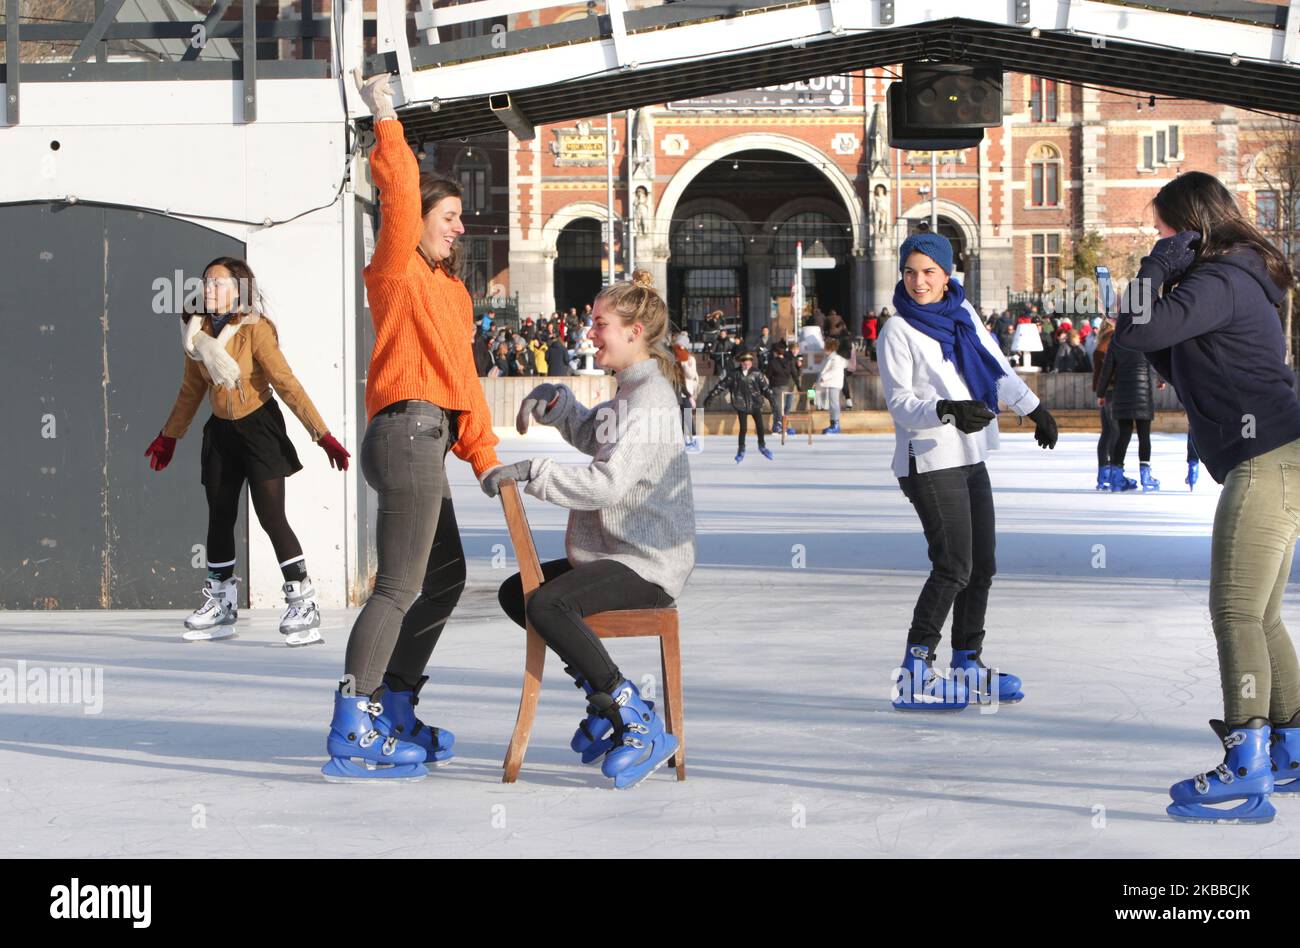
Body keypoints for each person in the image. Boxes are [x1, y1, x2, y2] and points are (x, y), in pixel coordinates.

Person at [320, 73, 505, 782]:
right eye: (449, 214)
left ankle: (395, 703)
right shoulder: (396, 269)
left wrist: (483, 454)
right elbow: (398, 190)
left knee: (447, 576)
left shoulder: (452, 293)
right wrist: (386, 115)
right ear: (418, 219)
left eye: (461, 216)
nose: (460, 226)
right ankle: (354, 720)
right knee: (400, 584)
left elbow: (462, 384)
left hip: (429, 434)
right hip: (403, 433)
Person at [1114, 171, 1300, 823]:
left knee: (1235, 613)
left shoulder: (1218, 280)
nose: (1158, 238)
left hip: (1266, 459)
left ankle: (1247, 764)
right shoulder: (1238, 277)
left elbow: (1136, 327)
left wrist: (1152, 267)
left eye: (1164, 229)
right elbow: (1171, 347)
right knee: (1263, 614)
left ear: (1190, 227)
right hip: (1280, 455)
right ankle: (1291, 749)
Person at [487, 277, 695, 790]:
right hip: (614, 554)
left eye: (600, 324)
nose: (590, 333)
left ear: (634, 331)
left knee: (549, 605)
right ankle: (609, 702)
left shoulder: (650, 399)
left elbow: (608, 483)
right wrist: (557, 405)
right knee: (521, 594)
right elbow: (594, 436)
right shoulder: (630, 391)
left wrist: (532, 472)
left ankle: (634, 720)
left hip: (648, 562)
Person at [877, 232, 1058, 711]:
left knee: (982, 565)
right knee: (953, 565)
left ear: (946, 275)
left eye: (928, 272)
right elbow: (900, 404)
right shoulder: (896, 331)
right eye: (910, 271)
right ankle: (915, 673)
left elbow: (995, 366)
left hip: (969, 455)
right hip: (930, 460)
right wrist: (947, 410)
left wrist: (1034, 408)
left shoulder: (963, 315)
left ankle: (967, 662)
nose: (919, 281)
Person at [146, 256, 350, 645]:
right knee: (219, 518)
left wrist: (321, 434)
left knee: (272, 518)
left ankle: (302, 603)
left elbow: (285, 382)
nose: (210, 290)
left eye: (219, 283)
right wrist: (170, 435)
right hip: (221, 433)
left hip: (259, 428)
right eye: (207, 282)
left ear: (239, 290)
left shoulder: (255, 330)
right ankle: (221, 604)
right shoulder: (196, 332)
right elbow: (191, 391)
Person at [1096, 325, 1158, 491]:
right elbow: (1158, 362)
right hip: (1144, 394)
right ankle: (1146, 477)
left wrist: (1101, 393)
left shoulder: (1117, 340)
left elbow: (1107, 369)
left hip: (1122, 393)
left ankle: (1116, 477)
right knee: (1144, 436)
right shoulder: (1148, 338)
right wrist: (1161, 380)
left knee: (1123, 435)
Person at [723, 351, 777, 462]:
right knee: (743, 428)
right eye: (745, 362)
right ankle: (741, 449)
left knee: (760, 426)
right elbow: (722, 385)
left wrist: (772, 400)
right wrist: (711, 396)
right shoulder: (735, 373)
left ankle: (762, 446)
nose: (747, 364)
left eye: (749, 362)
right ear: (741, 363)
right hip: (741, 404)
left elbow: (765, 388)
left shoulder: (756, 373)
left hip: (755, 403)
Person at [1091, 316, 1123, 491]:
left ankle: (1103, 472)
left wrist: (1099, 391)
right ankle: (1113, 471)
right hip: (1112, 390)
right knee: (1115, 432)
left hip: (1104, 392)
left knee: (1107, 432)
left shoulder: (1101, 341)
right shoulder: (1113, 340)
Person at [815, 338, 853, 435]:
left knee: (834, 404)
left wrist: (823, 377)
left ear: (829, 348)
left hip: (834, 383)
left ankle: (835, 424)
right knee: (832, 405)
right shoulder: (829, 358)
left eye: (825, 347)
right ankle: (833, 423)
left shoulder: (835, 358)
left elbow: (834, 371)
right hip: (831, 383)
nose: (824, 349)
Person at [674, 331, 702, 453]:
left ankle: (694, 439)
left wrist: (684, 364)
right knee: (677, 417)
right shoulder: (673, 359)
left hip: (686, 392)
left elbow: (691, 375)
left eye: (682, 346)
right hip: (676, 391)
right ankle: (681, 441)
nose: (680, 348)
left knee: (687, 416)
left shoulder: (690, 359)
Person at [765, 339, 800, 436]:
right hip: (786, 386)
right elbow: (794, 373)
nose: (794, 351)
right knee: (781, 407)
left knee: (780, 407)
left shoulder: (775, 361)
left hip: (779, 386)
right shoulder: (789, 360)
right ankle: (779, 425)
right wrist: (798, 384)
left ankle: (780, 426)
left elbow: (768, 373)